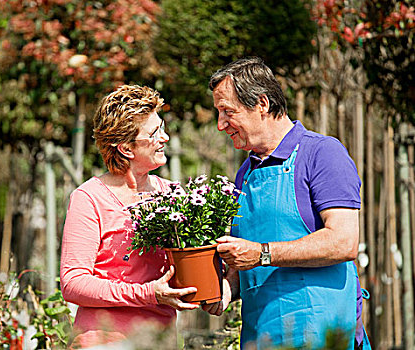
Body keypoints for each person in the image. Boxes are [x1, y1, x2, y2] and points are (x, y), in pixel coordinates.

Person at [202, 57, 371, 349]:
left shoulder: (322, 153)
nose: (221, 125)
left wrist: (262, 254)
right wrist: (226, 289)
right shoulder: (246, 172)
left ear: (262, 103)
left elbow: (343, 241)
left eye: (228, 112)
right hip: (261, 336)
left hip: (322, 334)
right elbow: (247, 259)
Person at [60, 85, 199, 349]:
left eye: (162, 127)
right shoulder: (90, 198)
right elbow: (73, 283)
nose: (166, 138)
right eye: (155, 133)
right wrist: (147, 294)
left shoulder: (172, 194)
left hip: (160, 341)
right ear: (125, 148)